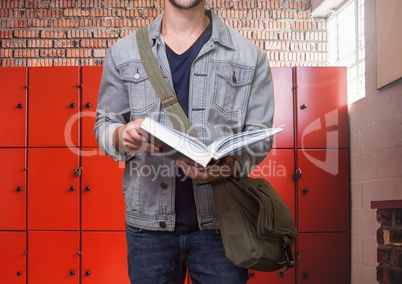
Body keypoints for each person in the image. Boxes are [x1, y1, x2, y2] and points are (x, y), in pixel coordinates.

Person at [94, 0, 274, 283]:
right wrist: (120, 136)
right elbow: (104, 125)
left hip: (222, 229)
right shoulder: (123, 53)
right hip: (148, 232)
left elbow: (260, 137)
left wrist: (227, 166)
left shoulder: (250, 57)